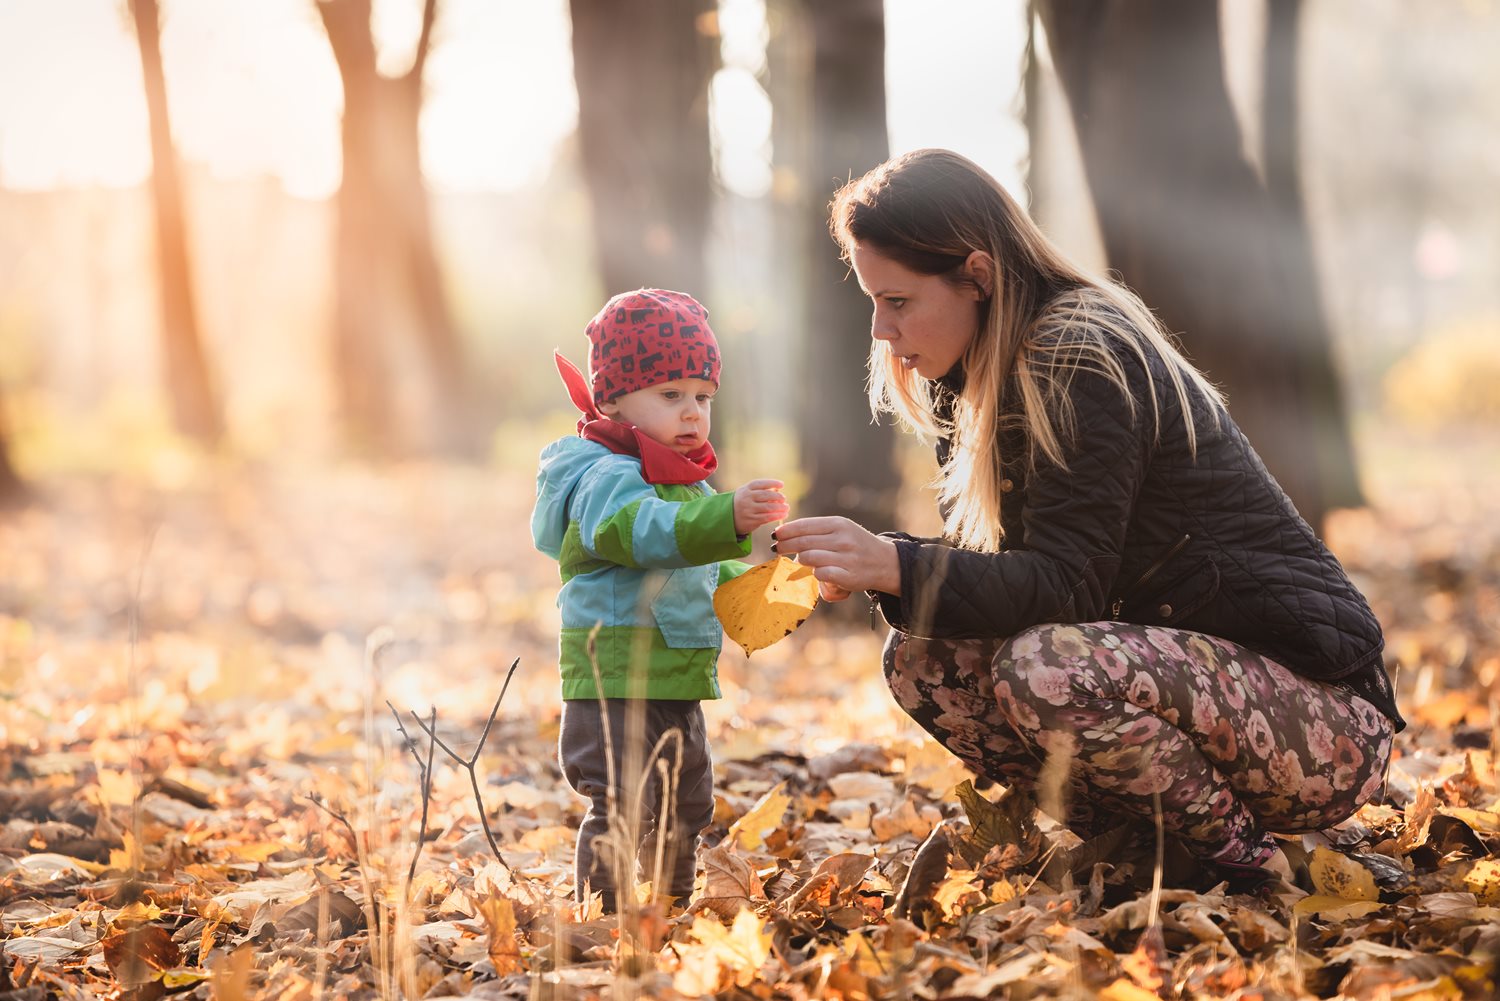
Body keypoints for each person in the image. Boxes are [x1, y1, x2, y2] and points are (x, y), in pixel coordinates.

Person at [773, 149, 1404, 892]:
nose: (882, 330)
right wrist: (891, 571)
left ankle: (1252, 863)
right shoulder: (971, 375)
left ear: (977, 276)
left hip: (1326, 725)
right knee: (922, 658)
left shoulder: (1080, 354)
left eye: (900, 301)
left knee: (1046, 665)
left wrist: (896, 563)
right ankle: (1139, 841)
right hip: (1202, 695)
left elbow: (1066, 584)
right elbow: (1014, 578)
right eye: (873, 302)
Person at [532, 288, 788, 912]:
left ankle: (670, 908)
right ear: (614, 398)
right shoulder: (606, 475)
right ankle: (605, 916)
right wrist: (725, 514)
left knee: (685, 802)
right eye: (670, 395)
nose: (692, 413)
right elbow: (638, 534)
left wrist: (793, 583)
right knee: (622, 802)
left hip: (674, 674)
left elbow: (711, 573)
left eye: (703, 396)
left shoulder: (682, 481)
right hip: (615, 673)